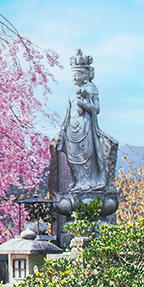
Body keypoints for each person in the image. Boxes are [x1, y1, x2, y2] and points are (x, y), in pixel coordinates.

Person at [55, 51, 108, 192]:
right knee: (73, 156)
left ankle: (89, 182)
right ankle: (78, 181)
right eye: (73, 74)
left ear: (85, 75)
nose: (74, 77)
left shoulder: (91, 89)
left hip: (86, 126)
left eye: (78, 74)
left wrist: (83, 102)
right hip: (72, 126)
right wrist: (63, 129)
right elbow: (68, 112)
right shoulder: (72, 92)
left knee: (86, 155)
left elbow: (96, 109)